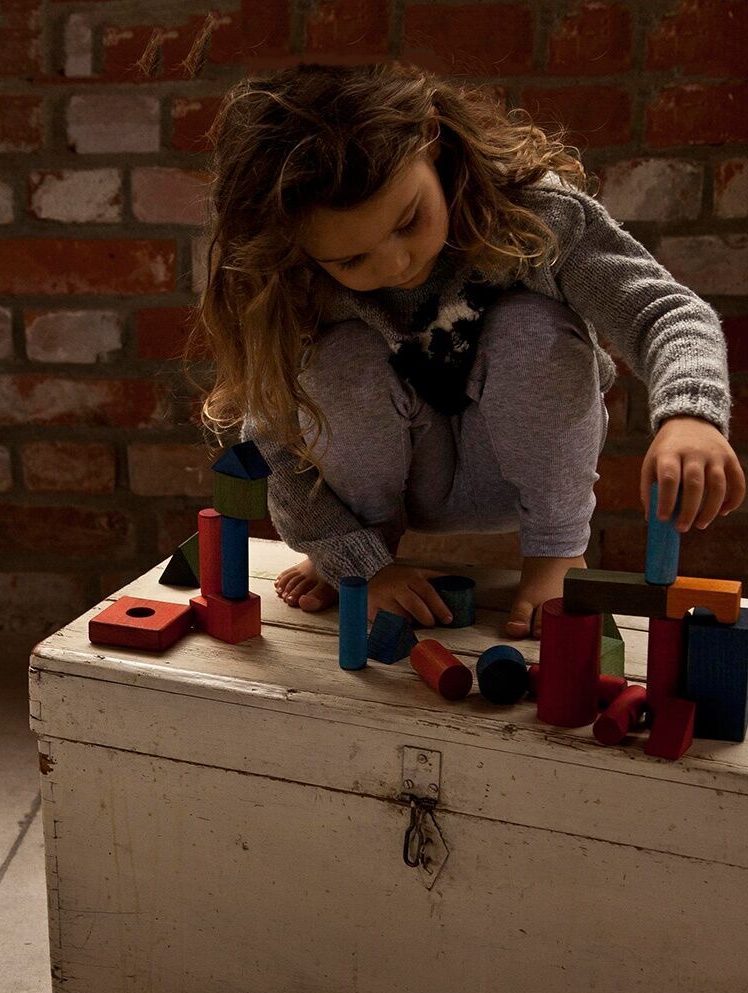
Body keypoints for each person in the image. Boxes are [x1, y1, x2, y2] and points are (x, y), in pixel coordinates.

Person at [198, 62, 742, 635]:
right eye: (351, 260)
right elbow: (274, 445)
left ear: (431, 139)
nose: (396, 264)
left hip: (518, 466)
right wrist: (353, 559)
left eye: (408, 221)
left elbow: (665, 311)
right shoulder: (294, 283)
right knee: (337, 361)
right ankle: (369, 546)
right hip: (393, 483)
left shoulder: (533, 215)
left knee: (532, 322)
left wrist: (690, 413)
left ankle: (556, 551)